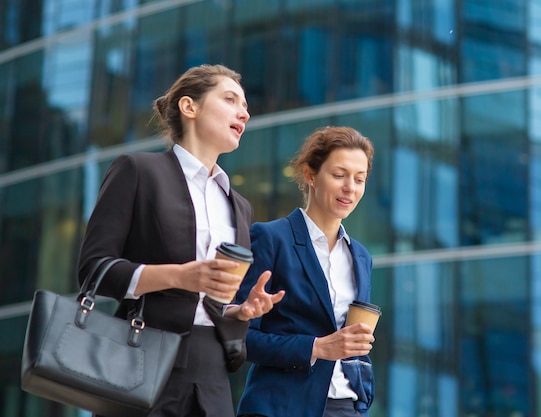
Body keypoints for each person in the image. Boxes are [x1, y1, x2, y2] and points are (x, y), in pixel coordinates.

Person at [77, 64, 285, 417]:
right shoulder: (137, 170)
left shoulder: (240, 206)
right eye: (230, 99)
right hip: (140, 356)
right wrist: (177, 276)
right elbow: (94, 269)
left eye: (245, 105)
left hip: (211, 372)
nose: (244, 113)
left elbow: (211, 305)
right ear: (190, 107)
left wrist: (241, 310)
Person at [235, 126, 376, 417]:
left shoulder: (360, 256)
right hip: (282, 406)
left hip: (347, 406)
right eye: (339, 175)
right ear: (310, 175)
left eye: (359, 179)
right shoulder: (272, 238)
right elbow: (242, 337)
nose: (350, 187)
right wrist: (316, 347)